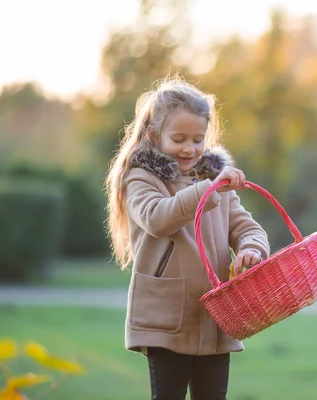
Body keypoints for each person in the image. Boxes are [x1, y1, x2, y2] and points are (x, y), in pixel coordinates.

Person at [105, 76, 270, 400]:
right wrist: (207, 189)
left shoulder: (214, 180)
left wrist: (252, 249)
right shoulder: (140, 177)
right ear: (154, 134)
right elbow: (157, 218)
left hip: (216, 315)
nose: (190, 148)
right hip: (167, 316)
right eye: (179, 138)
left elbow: (248, 228)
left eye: (197, 139)